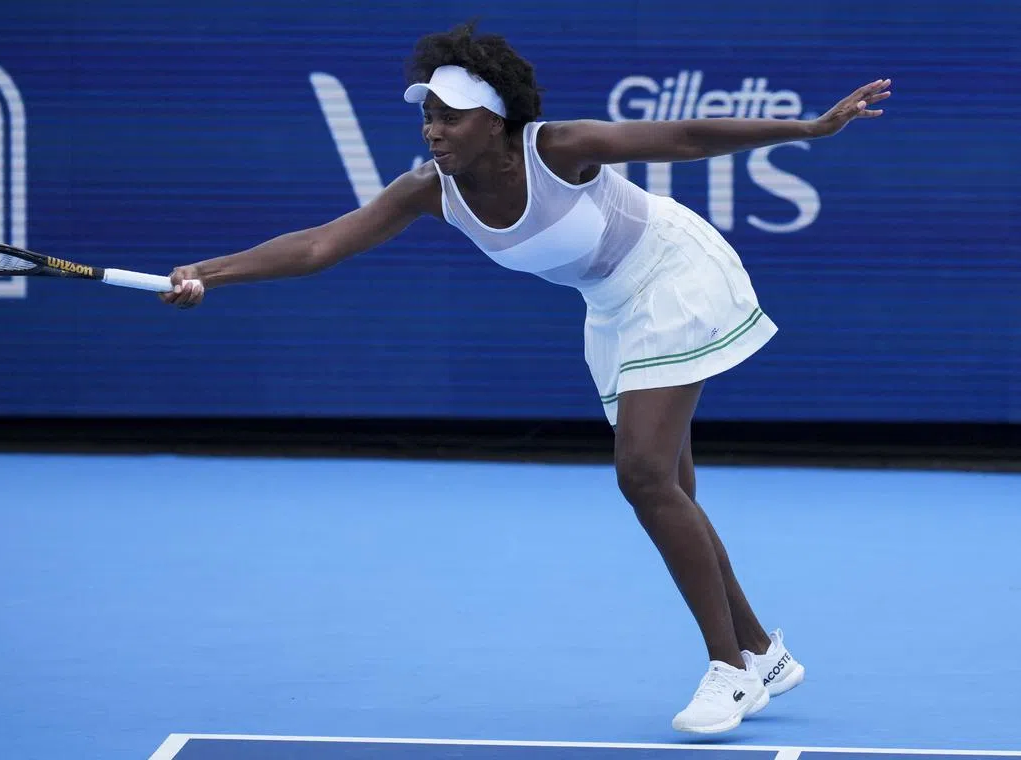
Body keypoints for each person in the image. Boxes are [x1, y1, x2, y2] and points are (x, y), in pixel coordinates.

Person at [161, 22, 891, 735]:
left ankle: (727, 668)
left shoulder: (557, 149)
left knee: (643, 476)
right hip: (610, 305)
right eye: (430, 116)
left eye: (451, 117)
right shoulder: (429, 190)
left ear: (497, 120)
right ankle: (763, 652)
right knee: (672, 490)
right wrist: (209, 274)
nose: (434, 130)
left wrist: (809, 129)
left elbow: (686, 138)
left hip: (674, 274)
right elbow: (321, 244)